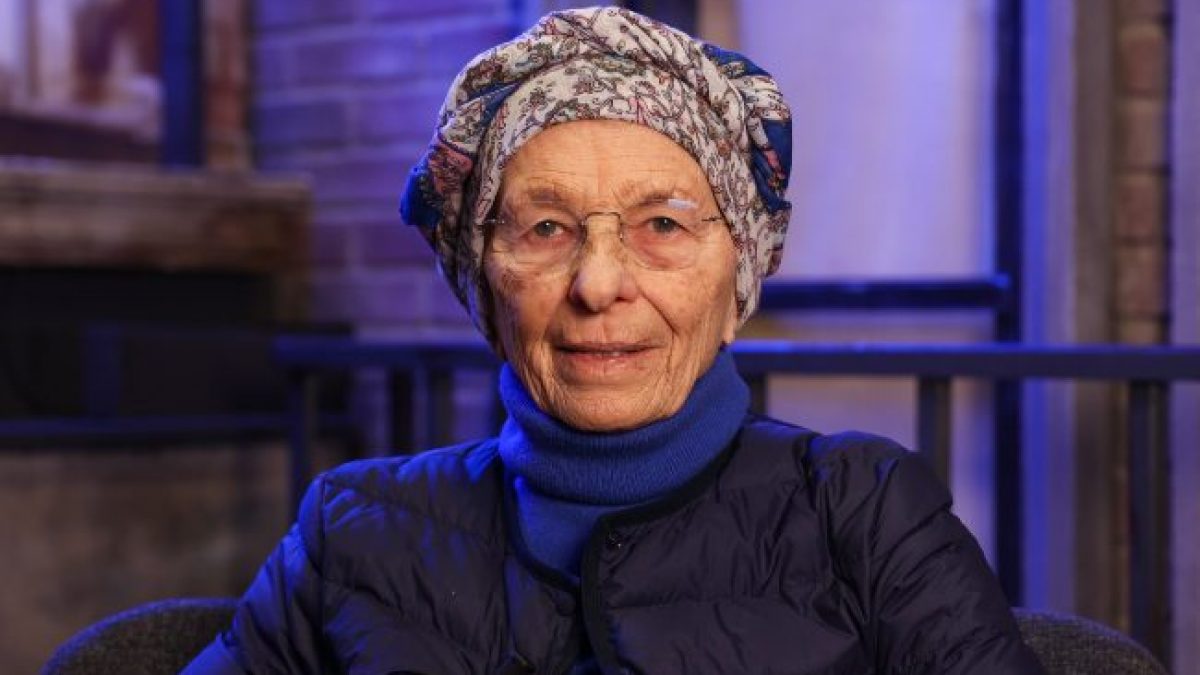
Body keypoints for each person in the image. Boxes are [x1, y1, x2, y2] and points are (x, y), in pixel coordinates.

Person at [185, 7, 1045, 674]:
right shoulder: (352, 529)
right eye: (546, 227)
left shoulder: (864, 509)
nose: (598, 284)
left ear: (737, 277)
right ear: (485, 280)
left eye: (662, 224)